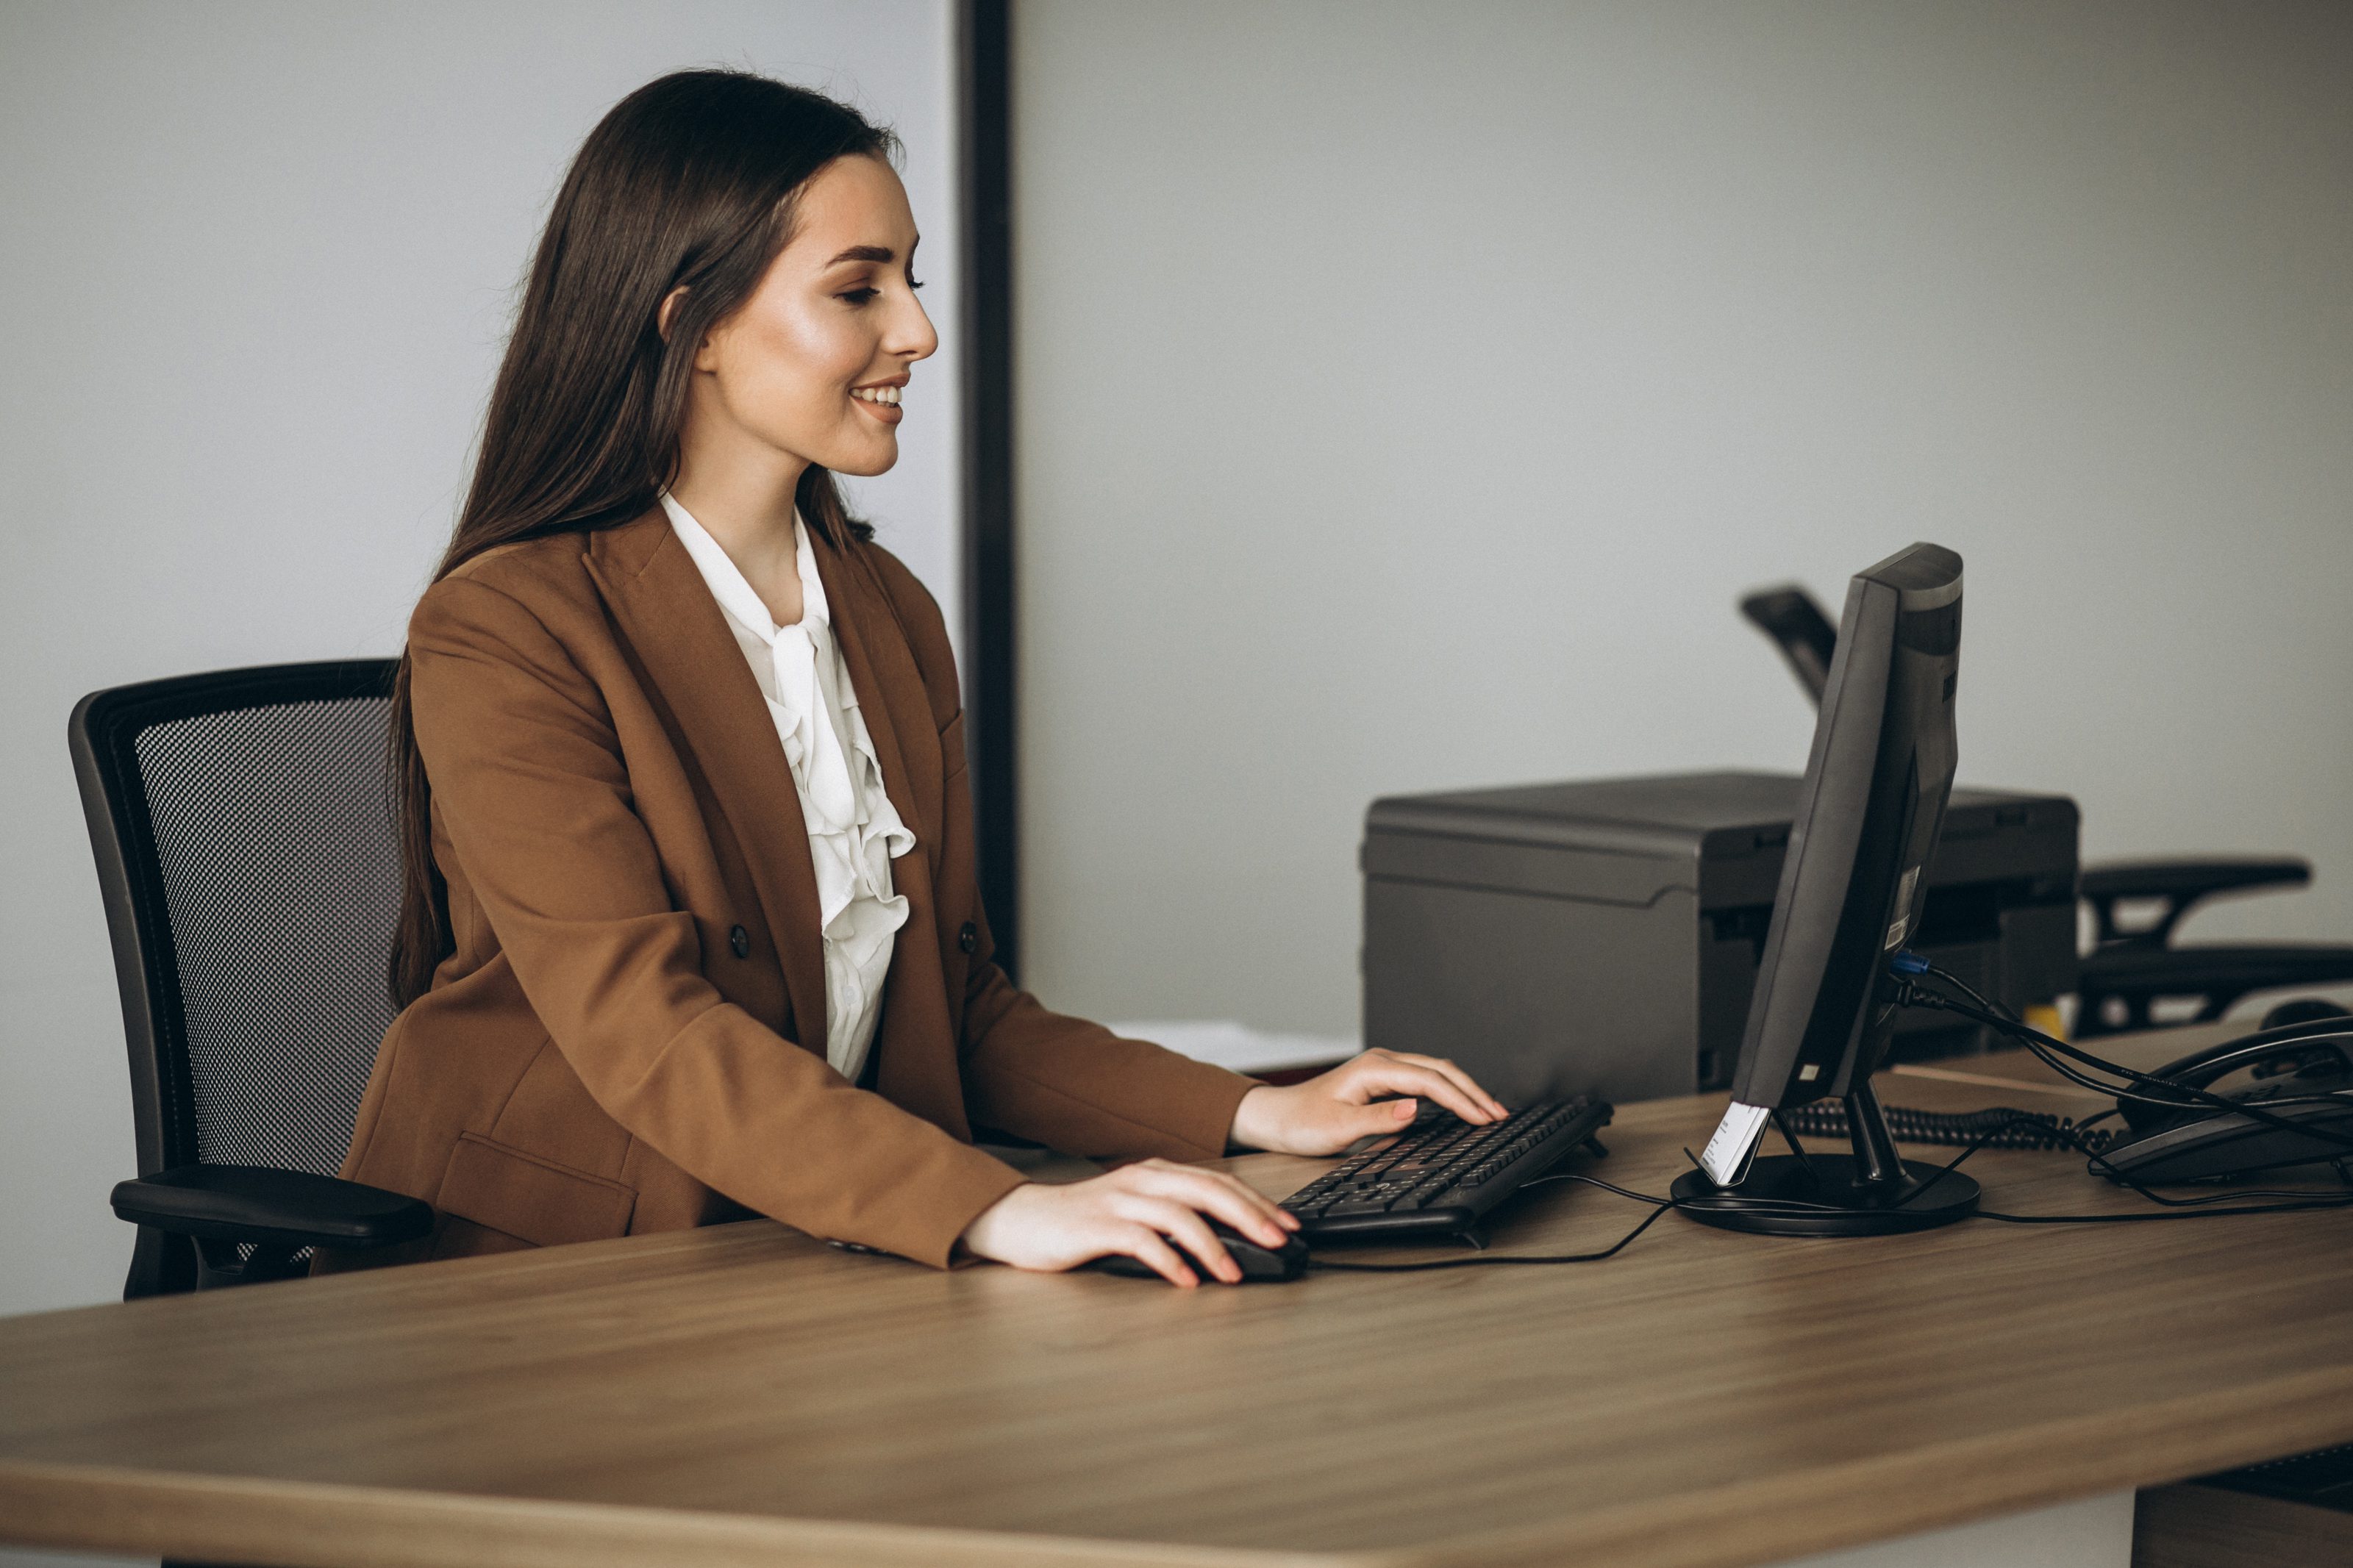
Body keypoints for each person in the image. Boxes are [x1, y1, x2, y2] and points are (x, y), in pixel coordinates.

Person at [329, 70, 1507, 1288]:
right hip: (549, 1280)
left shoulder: (884, 610)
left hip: (806, 1248)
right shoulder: (506, 628)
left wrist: (1262, 1113)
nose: (918, 332)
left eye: (912, 280)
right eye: (858, 289)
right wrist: (995, 1204)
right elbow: (653, 1034)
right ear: (698, 327)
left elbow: (962, 1011)